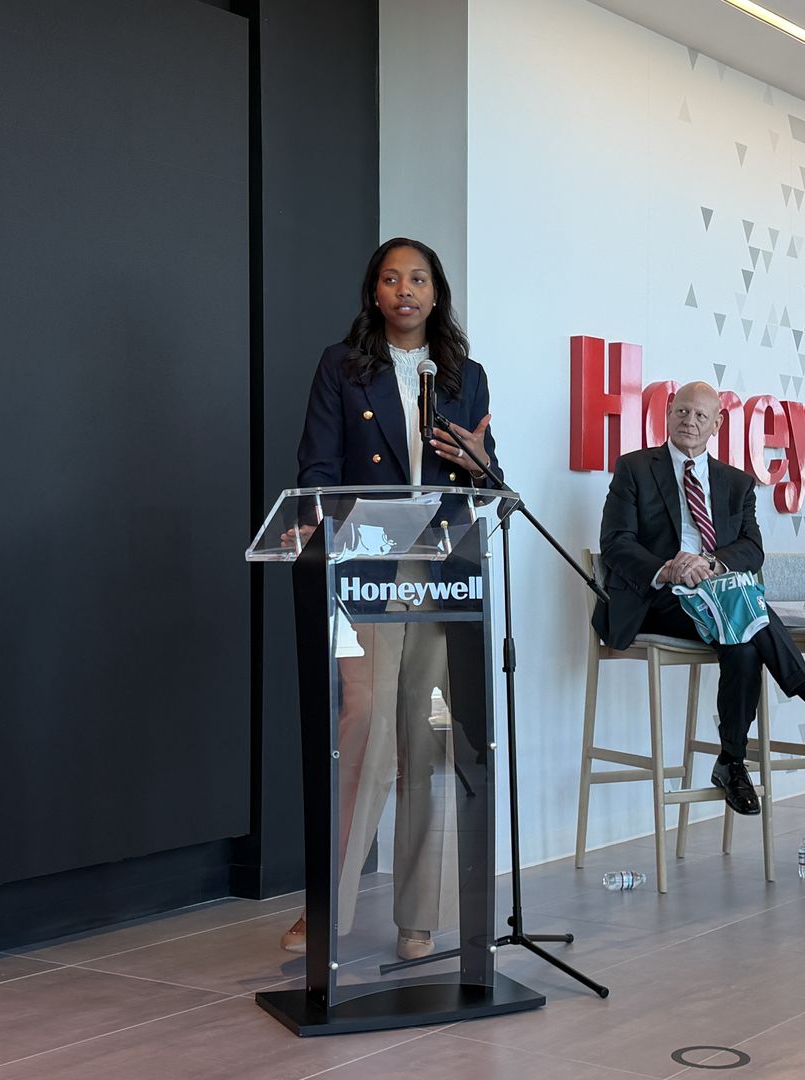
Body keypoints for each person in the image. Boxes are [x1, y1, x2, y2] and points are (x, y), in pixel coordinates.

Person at [283, 237, 499, 960]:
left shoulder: (466, 376)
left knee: (425, 737)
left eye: (418, 278)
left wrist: (479, 461)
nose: (404, 289)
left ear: (437, 293)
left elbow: (483, 474)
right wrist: (327, 530)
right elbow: (315, 464)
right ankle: (328, 908)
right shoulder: (341, 368)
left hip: (441, 564)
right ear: (373, 293)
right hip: (367, 560)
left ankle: (419, 916)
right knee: (365, 727)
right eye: (390, 278)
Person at [594, 382, 805, 816]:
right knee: (746, 613)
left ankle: (732, 762)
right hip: (659, 598)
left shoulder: (735, 482)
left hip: (718, 593)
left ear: (717, 424)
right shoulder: (635, 468)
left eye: (701, 416)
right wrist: (670, 567)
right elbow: (616, 543)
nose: (690, 422)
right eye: (682, 412)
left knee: (740, 639)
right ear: (667, 413)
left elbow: (751, 550)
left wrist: (711, 565)